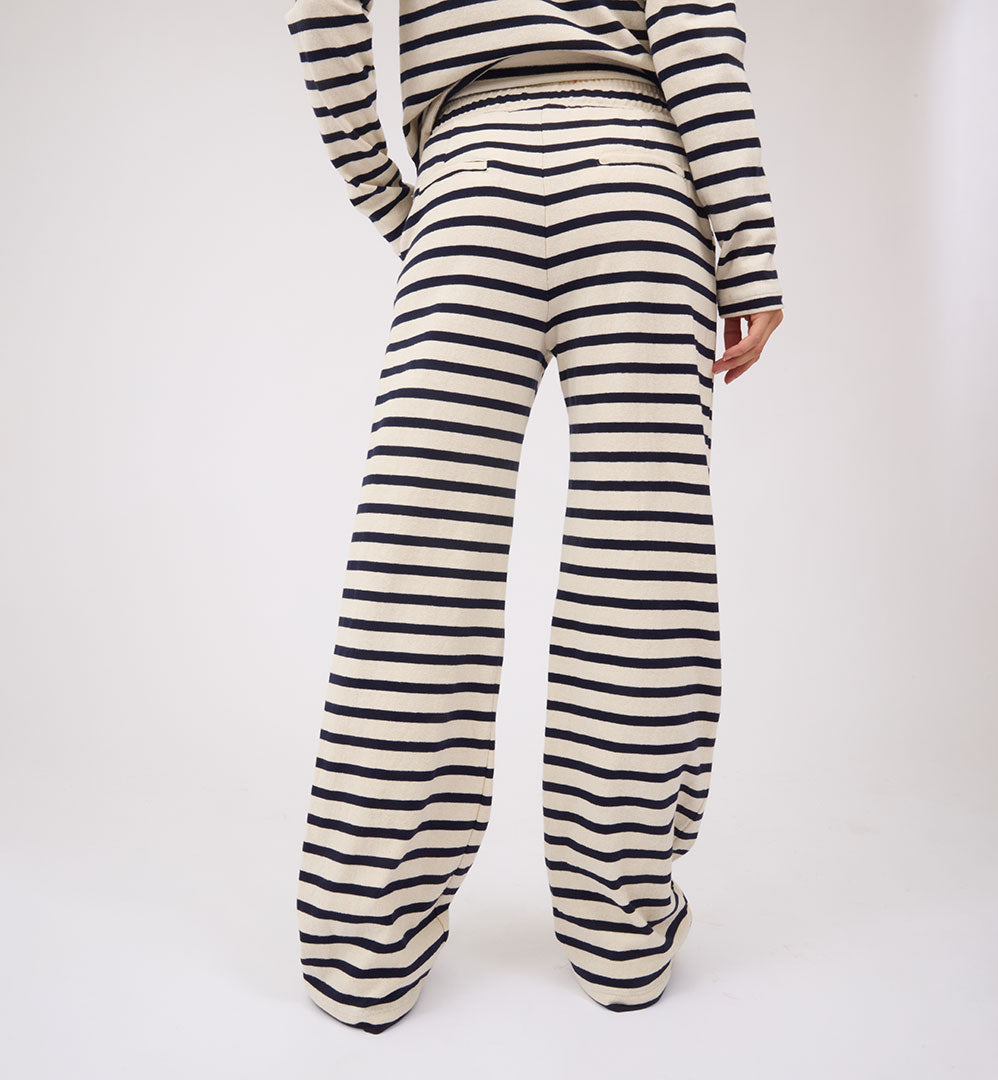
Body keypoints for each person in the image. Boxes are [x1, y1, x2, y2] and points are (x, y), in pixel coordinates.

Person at [282, 0, 785, 1031]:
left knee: (415, 572)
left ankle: (361, 948)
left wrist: (404, 200)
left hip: (469, 184)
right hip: (641, 182)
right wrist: (747, 248)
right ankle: (621, 933)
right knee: (642, 572)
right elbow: (692, 25)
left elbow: (324, 15)